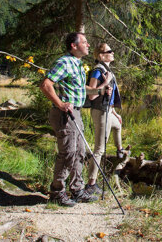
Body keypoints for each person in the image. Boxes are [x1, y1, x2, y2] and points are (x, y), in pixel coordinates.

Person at [40, 32, 103, 207]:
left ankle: (77, 189)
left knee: (79, 152)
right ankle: (57, 192)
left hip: (76, 112)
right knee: (68, 153)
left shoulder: (77, 64)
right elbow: (46, 84)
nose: (88, 45)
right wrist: (60, 104)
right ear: (74, 46)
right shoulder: (64, 62)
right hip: (65, 114)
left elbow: (80, 89)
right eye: (85, 42)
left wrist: (100, 90)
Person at [85, 42, 125, 195]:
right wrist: (106, 83)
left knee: (118, 125)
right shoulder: (97, 71)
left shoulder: (107, 70)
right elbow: (92, 94)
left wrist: (115, 113)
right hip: (100, 112)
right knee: (99, 149)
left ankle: (120, 151)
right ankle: (91, 184)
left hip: (108, 111)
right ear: (101, 56)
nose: (113, 53)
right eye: (110, 51)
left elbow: (109, 95)